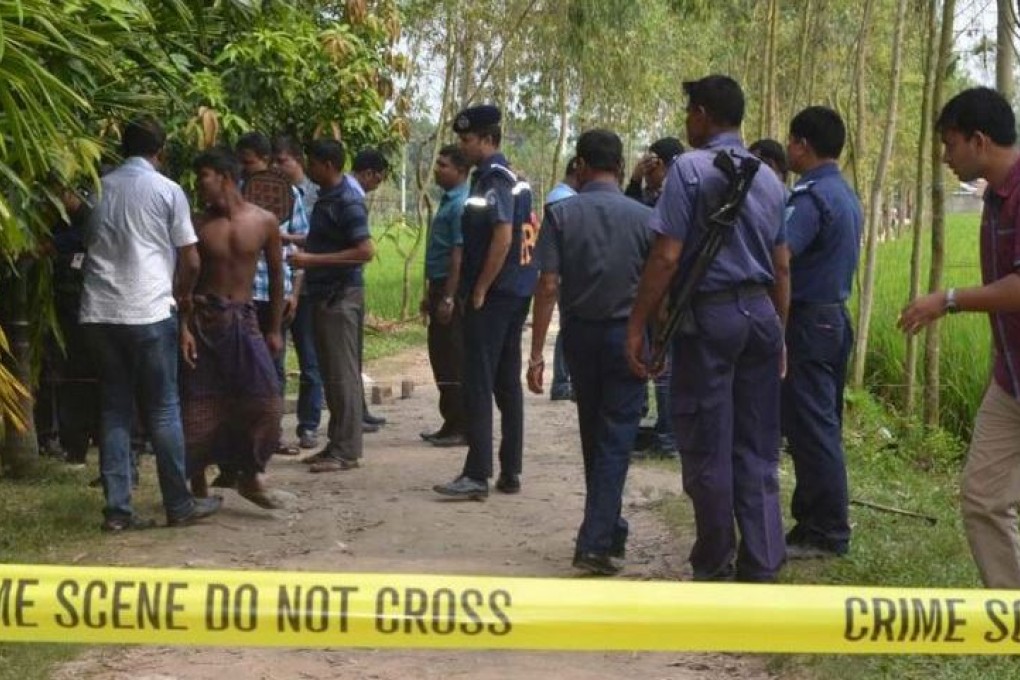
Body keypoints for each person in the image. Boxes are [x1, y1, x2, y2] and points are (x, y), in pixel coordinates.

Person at [625, 75, 790, 582]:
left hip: (710, 320)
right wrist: (779, 333)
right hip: (759, 316)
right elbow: (782, 267)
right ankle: (763, 563)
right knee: (758, 447)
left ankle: (715, 562)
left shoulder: (688, 171)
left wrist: (638, 326)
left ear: (700, 113)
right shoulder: (769, 178)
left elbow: (666, 256)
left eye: (688, 113)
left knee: (706, 442)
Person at [898, 87, 1020, 589]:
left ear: (979, 140)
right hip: (1010, 379)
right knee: (982, 497)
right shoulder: (994, 198)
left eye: (950, 145)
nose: (946, 158)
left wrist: (947, 299)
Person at [80, 117, 222, 531]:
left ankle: (118, 511)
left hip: (99, 313)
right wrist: (183, 295)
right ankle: (178, 504)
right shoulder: (167, 190)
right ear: (160, 152)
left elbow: (88, 239)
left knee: (114, 410)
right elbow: (191, 258)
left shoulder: (99, 187)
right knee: (162, 409)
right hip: (149, 312)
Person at [528, 130, 653, 575]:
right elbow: (661, 286)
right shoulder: (645, 219)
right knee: (617, 435)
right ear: (620, 167)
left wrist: (538, 352)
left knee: (593, 433)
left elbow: (547, 286)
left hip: (580, 336)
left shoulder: (560, 214)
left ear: (580, 165)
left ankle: (605, 530)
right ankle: (598, 538)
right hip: (630, 337)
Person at [433, 104, 536, 500]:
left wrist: (479, 289)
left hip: (493, 296)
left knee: (478, 380)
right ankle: (510, 469)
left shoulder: (493, 180)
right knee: (507, 382)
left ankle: (477, 473)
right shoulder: (514, 179)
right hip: (515, 293)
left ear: (487, 139)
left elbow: (504, 237)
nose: (464, 146)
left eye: (467, 140)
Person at [180, 149, 288, 508]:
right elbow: (183, 277)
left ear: (225, 177)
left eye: (204, 177)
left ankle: (251, 473)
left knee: (267, 400)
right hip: (204, 320)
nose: (199, 185)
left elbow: (276, 276)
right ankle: (197, 476)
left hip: (244, 319)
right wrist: (185, 325)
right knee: (199, 403)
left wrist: (274, 328)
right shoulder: (197, 224)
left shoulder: (264, 221)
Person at [782, 107, 862, 559]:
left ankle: (828, 531)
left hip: (810, 320)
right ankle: (811, 520)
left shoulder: (810, 198)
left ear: (803, 145)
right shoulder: (845, 194)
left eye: (792, 142)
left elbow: (782, 254)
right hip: (833, 319)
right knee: (818, 423)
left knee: (813, 427)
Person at [289, 139, 375, 473]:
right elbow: (325, 240)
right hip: (327, 296)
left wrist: (311, 260)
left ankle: (347, 450)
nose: (307, 169)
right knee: (332, 375)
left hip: (341, 297)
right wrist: (293, 242)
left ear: (326, 165)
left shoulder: (347, 202)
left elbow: (365, 251)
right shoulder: (327, 199)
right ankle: (336, 443)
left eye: (310, 161)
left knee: (343, 376)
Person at [235, 132, 310, 458]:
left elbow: (298, 246)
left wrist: (294, 292)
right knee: (242, 366)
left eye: (249, 162)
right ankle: (244, 437)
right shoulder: (236, 194)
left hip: (274, 294)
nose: (245, 168)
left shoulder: (289, 195)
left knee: (274, 367)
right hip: (243, 293)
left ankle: (272, 435)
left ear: (264, 160)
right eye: (242, 162)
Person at [627, 138, 685, 461]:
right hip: (666, 293)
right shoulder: (683, 191)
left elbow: (636, 223)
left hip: (666, 295)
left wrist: (635, 183)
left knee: (664, 365)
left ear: (659, 165)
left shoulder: (669, 197)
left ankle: (667, 437)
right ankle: (664, 432)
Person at [273, 136, 323, 450]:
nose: (278, 167)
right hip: (278, 286)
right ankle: (272, 428)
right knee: (274, 360)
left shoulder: (317, 195)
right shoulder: (265, 194)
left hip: (308, 285)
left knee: (310, 360)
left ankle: (308, 426)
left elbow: (317, 238)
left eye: (283, 161)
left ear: (298, 161)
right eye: (274, 162)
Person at [420, 144, 470, 447]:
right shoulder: (447, 201)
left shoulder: (461, 204)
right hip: (439, 285)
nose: (437, 169)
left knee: (452, 357)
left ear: (461, 171)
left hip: (450, 289)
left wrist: (448, 297)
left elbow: (457, 255)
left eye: (443, 165)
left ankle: (460, 425)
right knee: (440, 356)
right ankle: (450, 421)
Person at [347, 148, 391, 432]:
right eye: (379, 178)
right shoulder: (351, 198)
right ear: (368, 173)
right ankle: (354, 415)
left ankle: (359, 410)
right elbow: (363, 250)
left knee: (353, 354)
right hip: (345, 285)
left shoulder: (352, 195)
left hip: (348, 283)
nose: (378, 184)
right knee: (349, 356)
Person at [546, 157, 581, 402]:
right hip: (565, 274)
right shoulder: (564, 199)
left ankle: (564, 380)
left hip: (565, 273)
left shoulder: (562, 196)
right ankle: (560, 381)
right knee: (568, 327)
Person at [625, 136, 685, 207]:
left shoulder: (681, 197)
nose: (645, 172)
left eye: (649, 165)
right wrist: (635, 182)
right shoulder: (647, 195)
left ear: (662, 164)